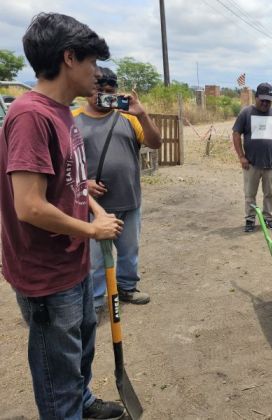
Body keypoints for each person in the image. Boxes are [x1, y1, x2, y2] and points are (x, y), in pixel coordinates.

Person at [0, 13, 125, 419]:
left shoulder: (61, 112)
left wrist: (92, 203)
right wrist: (92, 229)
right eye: (92, 63)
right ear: (69, 57)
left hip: (72, 262)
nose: (97, 75)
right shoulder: (31, 115)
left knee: (80, 345)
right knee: (56, 366)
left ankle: (84, 402)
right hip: (45, 273)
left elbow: (72, 178)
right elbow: (29, 206)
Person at [73, 67, 162, 310]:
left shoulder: (129, 118)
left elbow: (155, 143)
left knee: (129, 251)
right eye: (97, 91)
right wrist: (84, 184)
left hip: (129, 200)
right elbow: (63, 166)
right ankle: (95, 301)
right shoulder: (73, 120)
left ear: (116, 92)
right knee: (95, 259)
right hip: (92, 207)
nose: (102, 96)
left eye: (109, 92)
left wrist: (142, 113)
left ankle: (127, 288)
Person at [232, 82, 272, 232]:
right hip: (251, 164)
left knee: (269, 194)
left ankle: (268, 218)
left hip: (271, 164)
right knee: (250, 194)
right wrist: (241, 157)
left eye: (268, 100)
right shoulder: (246, 113)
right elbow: (236, 134)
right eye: (262, 99)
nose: (265, 103)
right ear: (255, 97)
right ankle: (250, 220)